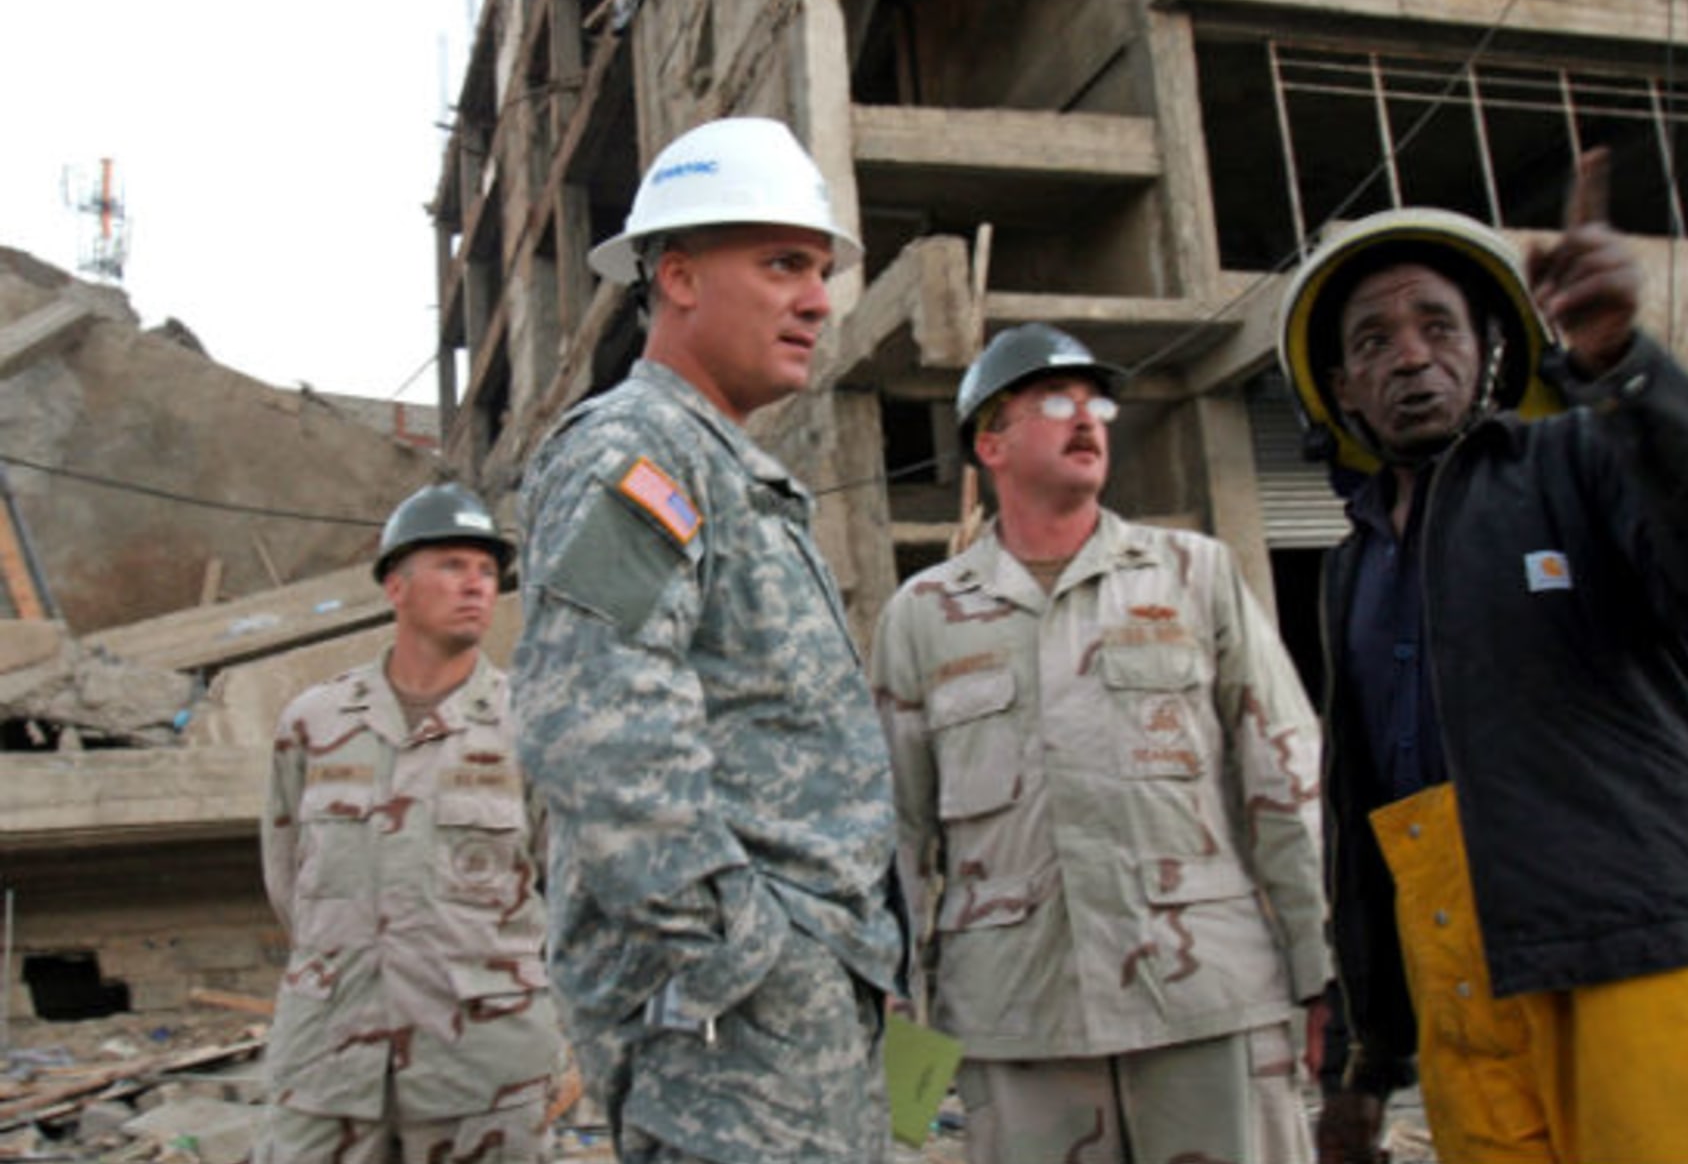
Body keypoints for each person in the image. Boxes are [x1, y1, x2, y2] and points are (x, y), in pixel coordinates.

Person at [1286, 152, 1688, 1164]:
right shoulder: (1351, 572)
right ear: (1342, 389)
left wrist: (1628, 368)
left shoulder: (1585, 460)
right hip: (1473, 1018)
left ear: (1492, 349)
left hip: (1658, 972)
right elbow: (1369, 827)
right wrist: (1367, 1060)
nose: (1411, 356)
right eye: (1375, 340)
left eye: (1437, 326)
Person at [511, 116, 906, 1163]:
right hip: (734, 1028)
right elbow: (592, 724)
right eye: (782, 263)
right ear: (677, 276)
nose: (818, 298)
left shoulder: (727, 467)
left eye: (819, 268)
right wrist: (753, 949)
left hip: (795, 1007)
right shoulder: (639, 452)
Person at [869, 322, 1332, 1164]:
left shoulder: (1195, 574)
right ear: (990, 444)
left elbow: (1286, 776)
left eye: (1097, 403)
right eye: (1052, 402)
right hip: (1019, 1020)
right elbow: (891, 834)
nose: (1086, 420)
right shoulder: (924, 616)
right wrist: (889, 1006)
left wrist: (1322, 968)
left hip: (1204, 999)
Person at [258, 482, 564, 1163]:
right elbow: (287, 879)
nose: (476, 585)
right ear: (396, 586)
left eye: (488, 571)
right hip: (329, 1060)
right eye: (453, 565)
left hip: (483, 1065)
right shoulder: (317, 722)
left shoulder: (531, 725)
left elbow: (565, 885)